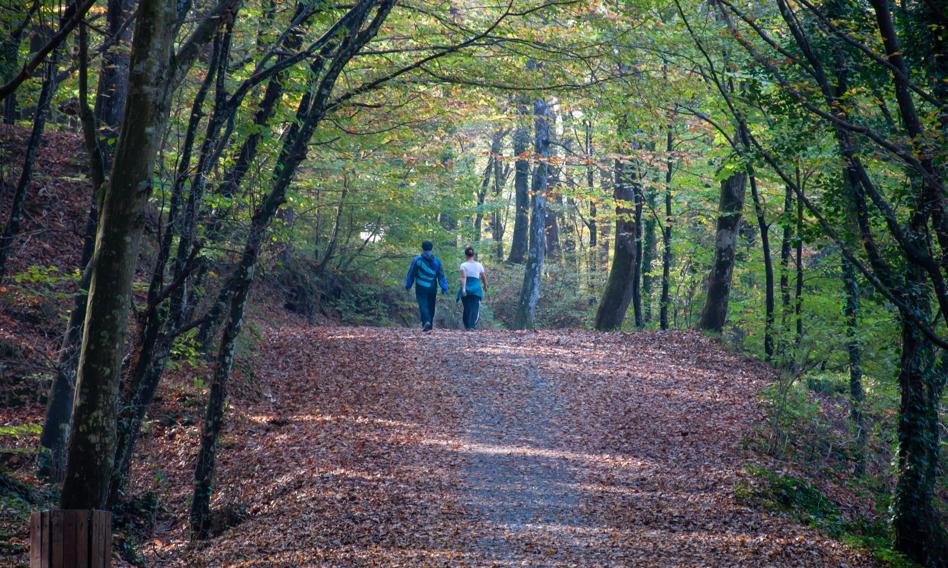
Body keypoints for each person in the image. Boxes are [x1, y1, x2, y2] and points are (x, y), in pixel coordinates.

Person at [405, 241, 448, 331]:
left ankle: (426, 322)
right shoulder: (436, 261)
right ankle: (429, 325)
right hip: (432, 286)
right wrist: (444, 287)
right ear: (431, 248)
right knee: (431, 305)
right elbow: (441, 275)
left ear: (422, 248)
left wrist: (408, 285)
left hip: (421, 286)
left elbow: (411, 273)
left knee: (423, 304)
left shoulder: (417, 260)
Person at [458, 246, 488, 330]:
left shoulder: (463, 265)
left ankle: (467, 325)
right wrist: (485, 286)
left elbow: (464, 277)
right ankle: (472, 326)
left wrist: (463, 289)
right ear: (473, 255)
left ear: (466, 255)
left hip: (466, 288)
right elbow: (483, 276)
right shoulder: (479, 265)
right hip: (476, 289)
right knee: (474, 307)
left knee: (467, 307)